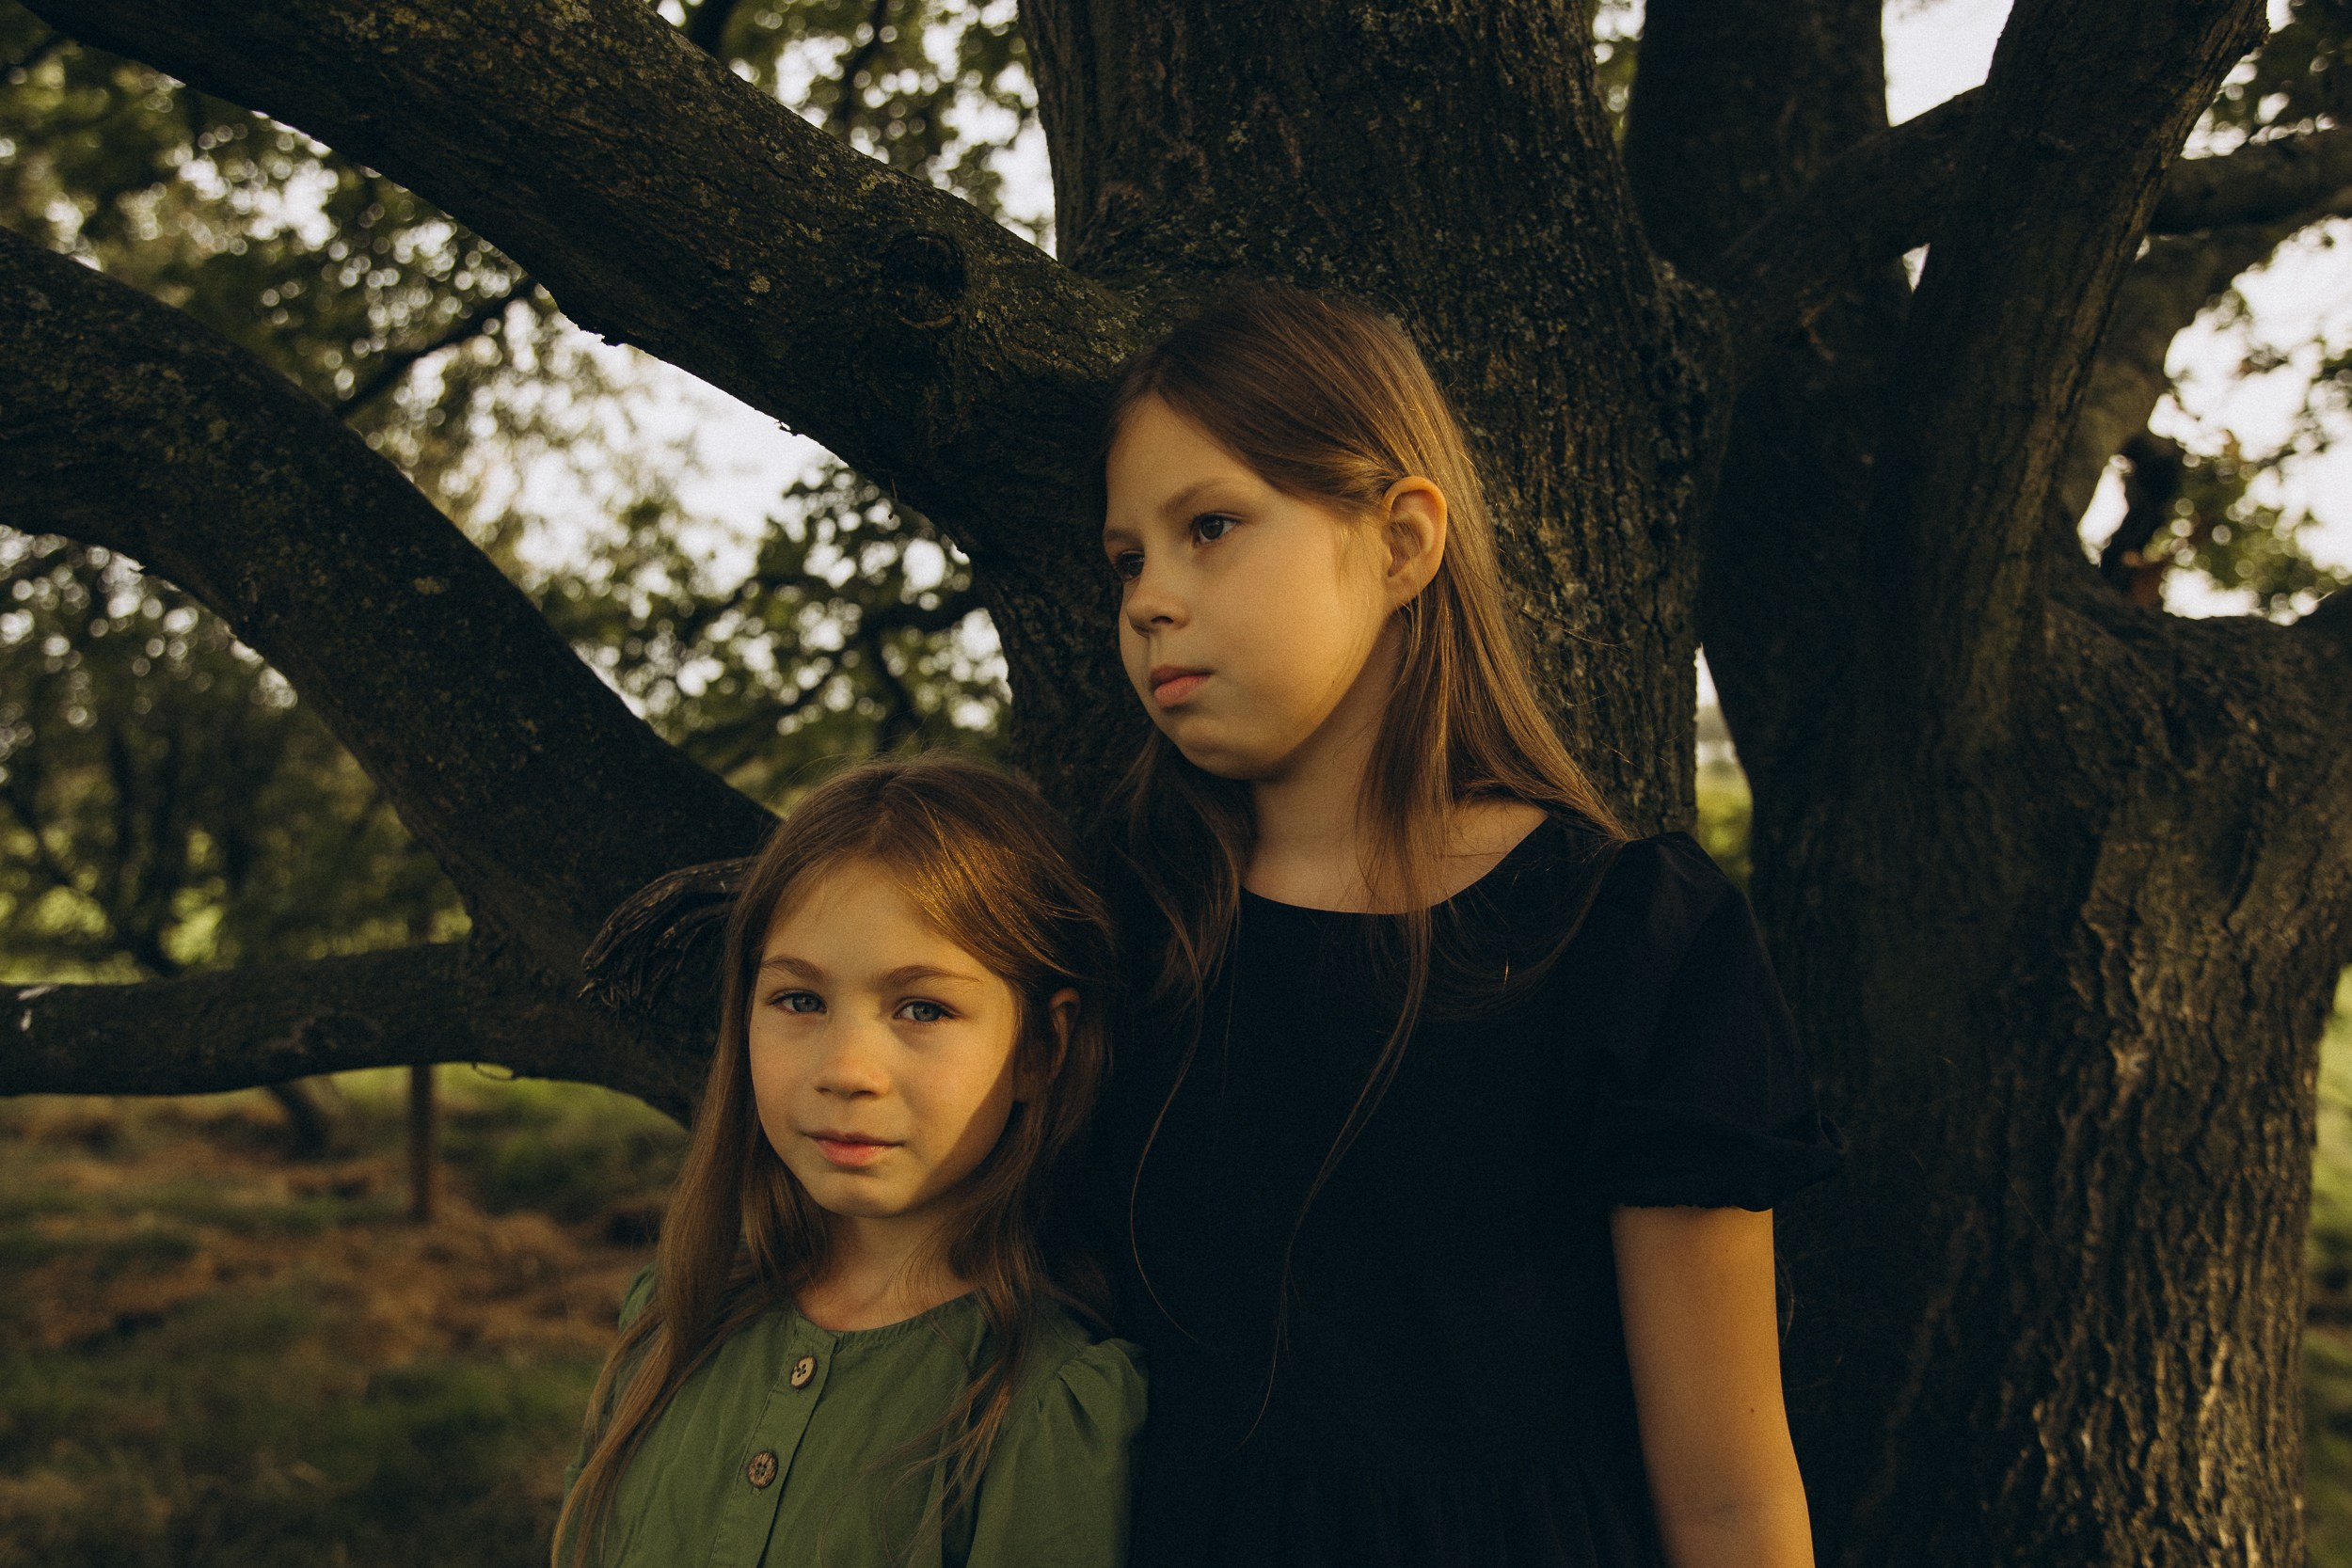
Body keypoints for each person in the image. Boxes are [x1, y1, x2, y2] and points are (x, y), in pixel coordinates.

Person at [1091, 283, 1845, 1568]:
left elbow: (1728, 1493)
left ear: (1399, 543)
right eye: (1127, 560)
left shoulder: (1634, 939)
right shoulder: (1122, 928)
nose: (1152, 598)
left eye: (1210, 525)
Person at [553, 753, 1146, 1568]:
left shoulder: (1043, 1401)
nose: (846, 1070)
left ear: (1041, 1047)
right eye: (800, 999)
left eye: (923, 1008)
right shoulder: (673, 1317)